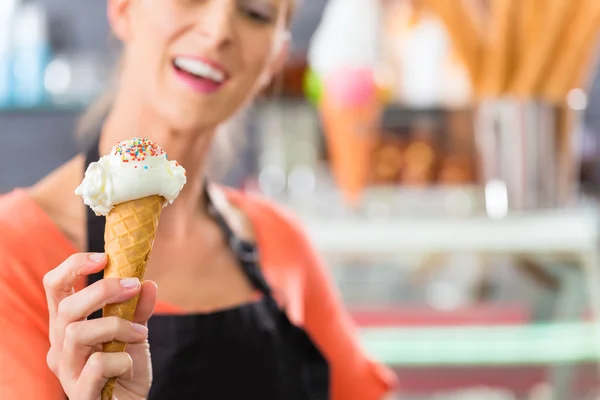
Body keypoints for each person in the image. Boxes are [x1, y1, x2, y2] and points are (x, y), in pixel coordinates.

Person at [0, 0, 398, 399]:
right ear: (123, 9)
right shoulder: (10, 248)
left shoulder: (281, 241)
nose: (220, 28)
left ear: (275, 57)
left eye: (256, 13)